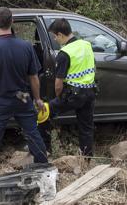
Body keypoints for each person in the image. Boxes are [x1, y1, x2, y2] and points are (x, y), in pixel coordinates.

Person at [0, 7, 48, 183]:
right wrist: (37, 99)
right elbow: (34, 78)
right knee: (32, 133)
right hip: (22, 98)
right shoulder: (26, 47)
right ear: (12, 21)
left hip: (0, 101)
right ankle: (44, 170)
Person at [39, 18, 96, 156]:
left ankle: (45, 151)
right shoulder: (86, 44)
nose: (55, 38)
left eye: (54, 35)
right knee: (86, 127)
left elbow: (58, 84)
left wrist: (59, 97)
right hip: (90, 92)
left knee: (43, 113)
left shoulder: (65, 53)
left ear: (60, 34)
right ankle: (87, 157)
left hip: (73, 95)